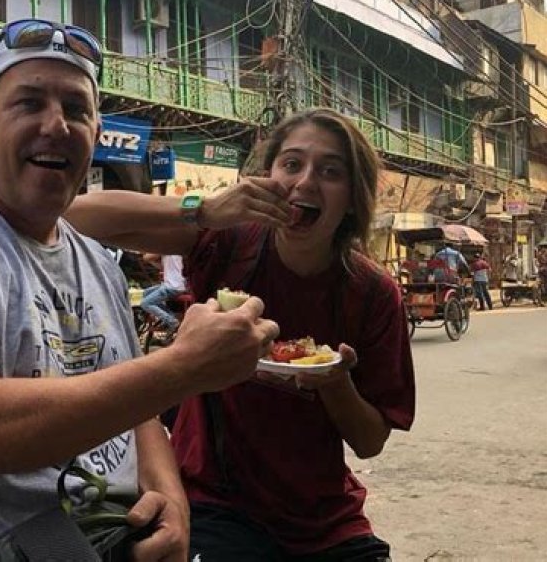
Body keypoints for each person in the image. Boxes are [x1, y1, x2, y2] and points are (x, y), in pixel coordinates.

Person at [0, 19, 280, 561]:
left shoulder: (96, 264)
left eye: (76, 109)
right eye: (29, 103)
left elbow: (138, 411)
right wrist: (184, 367)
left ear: (96, 133)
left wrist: (171, 497)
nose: (56, 125)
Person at [68, 107, 416, 561]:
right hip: (214, 505)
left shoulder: (372, 294)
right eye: (292, 164)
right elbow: (73, 216)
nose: (305, 182)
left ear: (352, 198)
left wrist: (335, 382)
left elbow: (370, 442)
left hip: (325, 520)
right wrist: (203, 208)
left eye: (331, 171)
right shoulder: (228, 243)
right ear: (268, 177)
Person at [140, 254, 187, 331]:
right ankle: (171, 316)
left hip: (172, 287)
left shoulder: (166, 250)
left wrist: (144, 253)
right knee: (146, 293)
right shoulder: (172, 254)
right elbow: (161, 267)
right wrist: (152, 261)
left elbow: (147, 257)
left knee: (145, 303)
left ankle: (173, 322)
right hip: (173, 285)